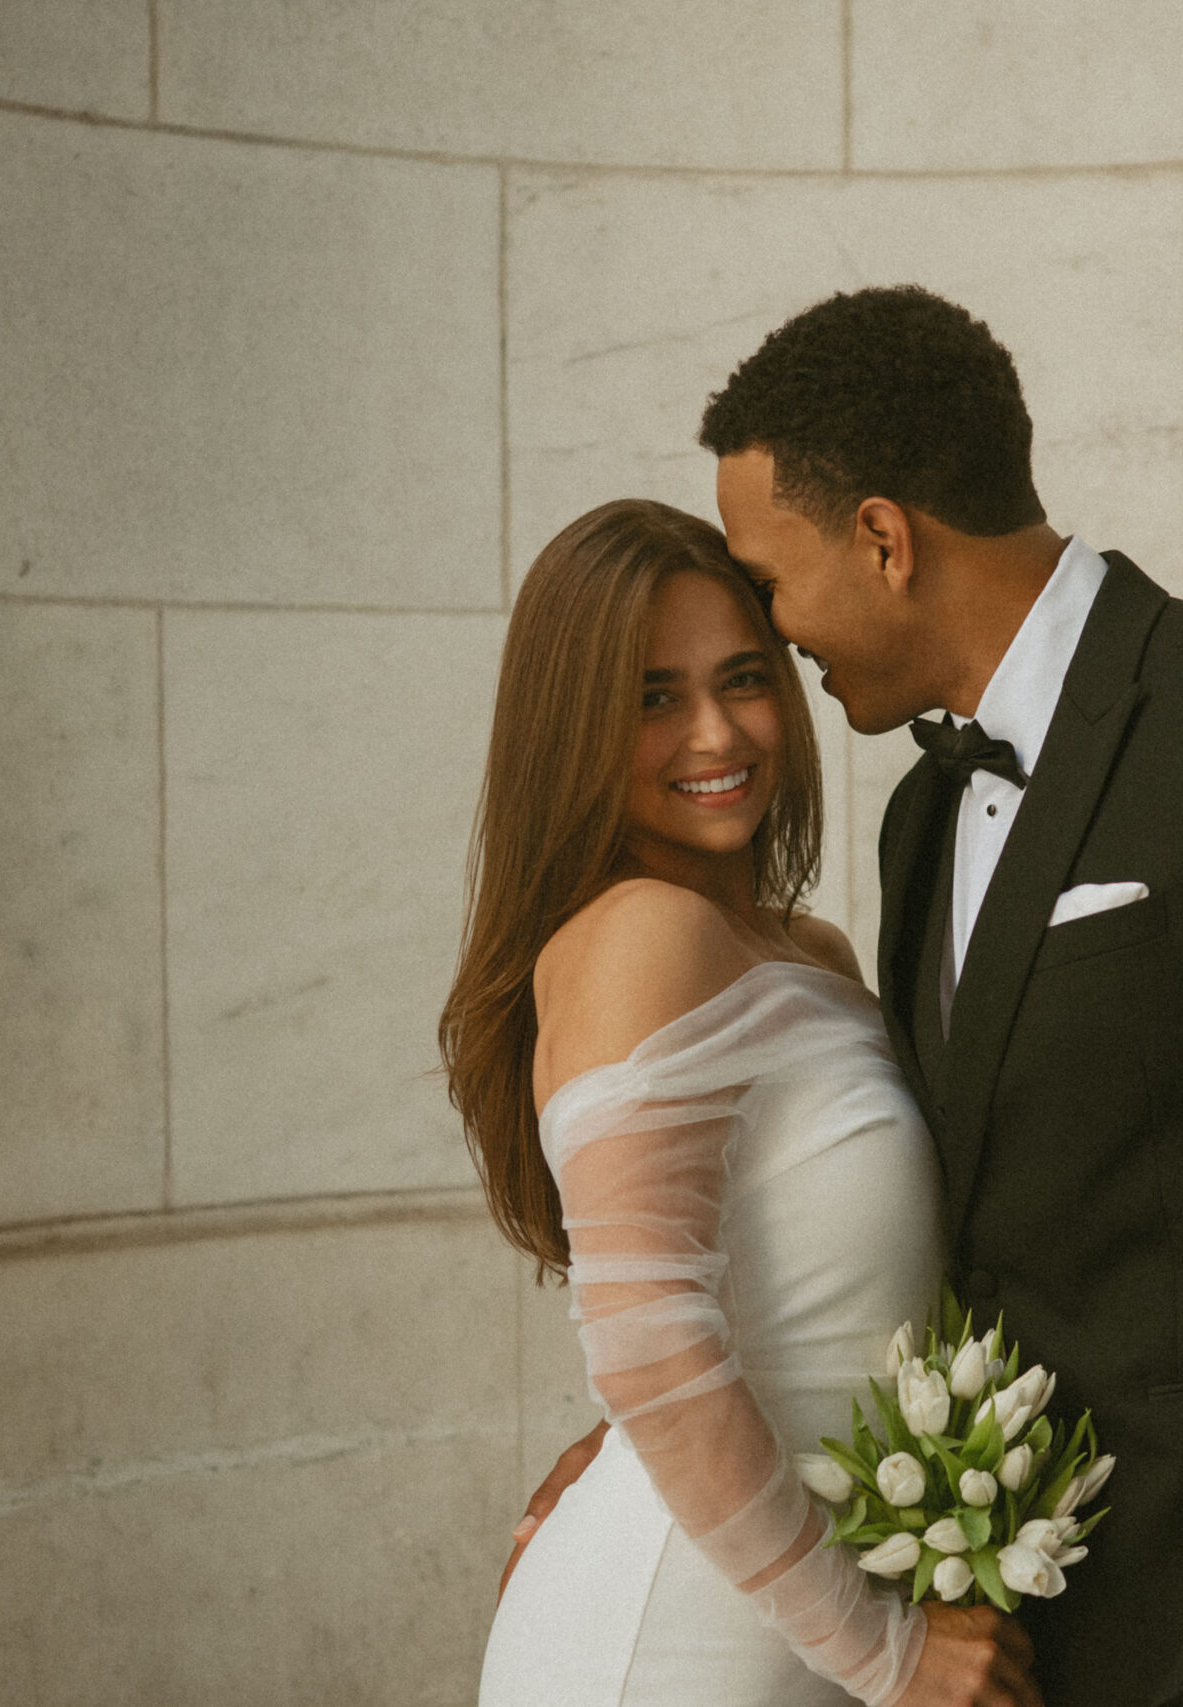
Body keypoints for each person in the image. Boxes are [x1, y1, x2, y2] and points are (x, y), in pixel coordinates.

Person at [514, 287, 1183, 1707]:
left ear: (884, 537)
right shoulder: (919, 822)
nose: (774, 626)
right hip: (1029, 1637)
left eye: (771, 582)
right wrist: (643, 1444)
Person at [448, 498, 1043, 1707]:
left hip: (795, 1630)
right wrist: (887, 1655)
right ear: (573, 732)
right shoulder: (641, 939)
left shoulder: (805, 952)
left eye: (742, 678)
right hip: (682, 1645)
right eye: (652, 697)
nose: (716, 733)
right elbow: (653, 1347)